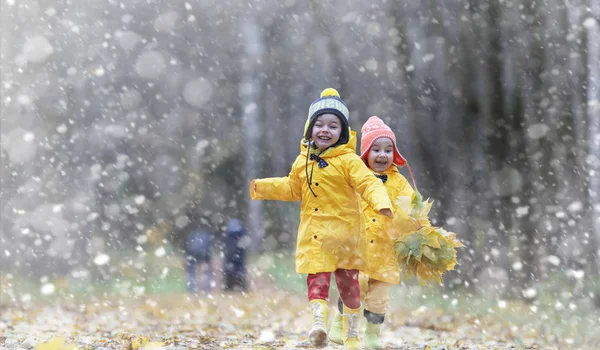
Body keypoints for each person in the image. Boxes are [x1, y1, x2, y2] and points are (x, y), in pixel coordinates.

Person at [250, 89, 393, 349]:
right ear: (309, 128)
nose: (325, 130)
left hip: (346, 235)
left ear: (342, 131)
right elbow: (292, 188)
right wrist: (262, 187)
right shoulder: (302, 161)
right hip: (316, 235)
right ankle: (318, 323)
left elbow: (368, 183)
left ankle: (350, 334)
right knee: (317, 279)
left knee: (349, 286)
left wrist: (381, 202)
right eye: (319, 124)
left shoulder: (349, 161)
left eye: (333, 125)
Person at [328, 116, 430, 349]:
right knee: (355, 288)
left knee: (378, 298)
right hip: (359, 249)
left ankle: (372, 335)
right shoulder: (356, 178)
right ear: (366, 154)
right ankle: (341, 325)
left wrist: (423, 228)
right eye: (376, 150)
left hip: (386, 252)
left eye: (387, 150)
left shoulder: (400, 183)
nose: (382, 155)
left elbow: (415, 208)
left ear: (394, 154)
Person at [183, 214, 214, 294]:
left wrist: (186, 256)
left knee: (191, 272)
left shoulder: (192, 234)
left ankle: (191, 289)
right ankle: (206, 289)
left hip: (193, 254)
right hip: (203, 254)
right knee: (205, 272)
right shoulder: (206, 234)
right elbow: (209, 246)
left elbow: (187, 246)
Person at [223, 217, 248, 292]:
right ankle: (240, 285)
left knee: (230, 272)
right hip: (238, 257)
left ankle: (230, 286)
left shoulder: (229, 234)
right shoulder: (241, 232)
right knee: (239, 271)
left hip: (232, 257)